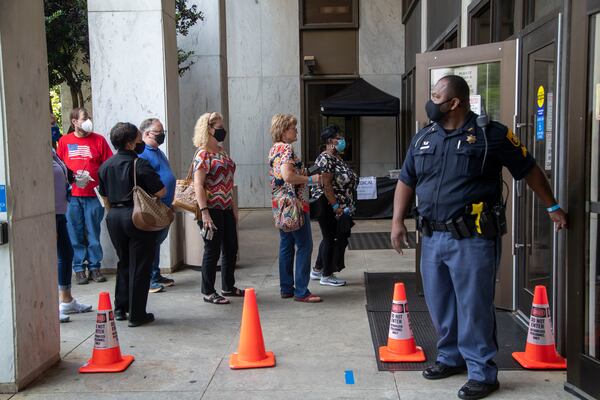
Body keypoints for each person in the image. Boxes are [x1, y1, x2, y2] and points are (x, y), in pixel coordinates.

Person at [391, 75, 568, 400]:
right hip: (431, 237)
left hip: (472, 238)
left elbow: (528, 169)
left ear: (455, 102)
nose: (431, 101)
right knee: (440, 303)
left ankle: (483, 373)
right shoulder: (424, 137)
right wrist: (397, 220)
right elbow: (406, 179)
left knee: (474, 307)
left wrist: (552, 205)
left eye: (436, 96)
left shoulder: (491, 135)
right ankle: (450, 357)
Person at [98, 122, 166, 327]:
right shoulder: (140, 164)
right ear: (129, 143)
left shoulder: (106, 165)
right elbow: (160, 192)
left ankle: (120, 308)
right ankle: (137, 314)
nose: (140, 142)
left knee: (124, 262)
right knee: (141, 265)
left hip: (114, 217)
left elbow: (104, 195)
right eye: (138, 138)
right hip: (137, 217)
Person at [268, 114, 322, 303]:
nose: (296, 130)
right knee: (305, 246)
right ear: (284, 130)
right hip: (295, 205)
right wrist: (310, 179)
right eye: (293, 127)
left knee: (286, 245)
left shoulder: (274, 149)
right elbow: (287, 176)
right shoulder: (287, 149)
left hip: (280, 205)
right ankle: (301, 291)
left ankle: (286, 288)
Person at [56, 107, 113, 284]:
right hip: (72, 196)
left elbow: (108, 165)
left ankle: (95, 267)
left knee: (93, 232)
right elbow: (59, 166)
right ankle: (79, 268)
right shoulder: (64, 141)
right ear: (74, 122)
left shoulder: (99, 140)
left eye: (88, 117)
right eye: (84, 118)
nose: (88, 121)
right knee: (75, 233)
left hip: (93, 195)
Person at [193, 112, 243, 305]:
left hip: (225, 207)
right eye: (219, 127)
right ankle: (208, 291)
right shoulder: (202, 153)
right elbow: (198, 184)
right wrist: (204, 212)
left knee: (231, 247)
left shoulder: (221, 151)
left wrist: (233, 207)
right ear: (209, 130)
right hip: (211, 209)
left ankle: (228, 286)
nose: (223, 131)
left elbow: (229, 182)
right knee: (212, 249)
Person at [310, 125, 358, 287]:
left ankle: (317, 270)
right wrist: (336, 205)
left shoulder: (337, 157)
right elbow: (326, 184)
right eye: (339, 138)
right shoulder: (326, 158)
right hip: (330, 206)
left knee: (329, 238)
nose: (343, 140)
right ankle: (327, 274)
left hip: (340, 205)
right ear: (330, 141)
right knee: (331, 238)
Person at [53, 149, 92, 322]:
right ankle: (50, 306)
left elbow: (63, 173)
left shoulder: (51, 150)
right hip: (48, 214)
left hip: (59, 212)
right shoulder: (36, 149)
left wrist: (75, 178)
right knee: (53, 258)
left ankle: (66, 299)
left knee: (66, 254)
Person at [138, 118, 176, 293]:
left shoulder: (157, 151)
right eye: (158, 132)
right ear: (146, 134)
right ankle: (150, 278)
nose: (162, 136)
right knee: (151, 243)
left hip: (166, 205)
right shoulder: (143, 154)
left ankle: (156, 273)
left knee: (157, 242)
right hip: (154, 206)